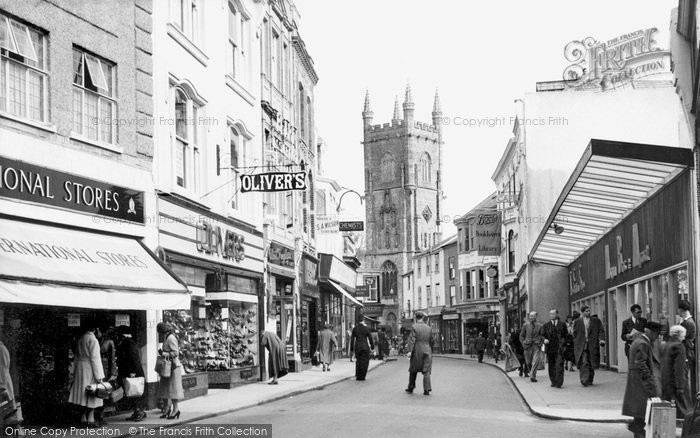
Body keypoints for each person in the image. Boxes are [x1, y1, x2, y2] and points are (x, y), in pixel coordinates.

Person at [622, 321, 662, 438]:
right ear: (650, 332)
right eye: (656, 334)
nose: (656, 337)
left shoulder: (638, 341)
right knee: (641, 413)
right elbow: (641, 365)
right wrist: (650, 383)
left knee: (639, 414)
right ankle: (636, 429)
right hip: (641, 385)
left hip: (636, 384)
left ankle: (635, 428)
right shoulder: (643, 343)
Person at [68, 317, 105, 427]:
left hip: (80, 368)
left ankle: (83, 418)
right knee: (92, 394)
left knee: (82, 395)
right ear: (95, 329)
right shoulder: (93, 339)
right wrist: (99, 376)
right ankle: (91, 419)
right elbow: (95, 358)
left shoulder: (81, 338)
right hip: (90, 369)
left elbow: (76, 356)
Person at [115, 326, 146, 422]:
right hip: (130, 372)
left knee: (134, 392)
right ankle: (137, 412)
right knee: (131, 392)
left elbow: (134, 358)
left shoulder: (128, 343)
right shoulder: (127, 342)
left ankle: (139, 412)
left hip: (133, 373)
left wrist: (133, 372)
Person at [661, 325, 691, 419]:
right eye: (683, 335)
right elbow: (679, 367)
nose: (684, 337)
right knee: (685, 409)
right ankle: (687, 431)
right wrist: (680, 386)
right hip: (676, 383)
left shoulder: (665, 345)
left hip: (666, 381)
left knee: (669, 407)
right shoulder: (679, 346)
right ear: (679, 335)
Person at [573, 305, 605, 386]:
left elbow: (601, 330)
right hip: (582, 345)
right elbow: (575, 334)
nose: (589, 312)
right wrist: (577, 342)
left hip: (592, 344)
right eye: (586, 311)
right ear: (582, 312)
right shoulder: (577, 322)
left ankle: (590, 379)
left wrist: (601, 339)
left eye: (589, 311)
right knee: (584, 362)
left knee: (591, 362)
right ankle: (584, 380)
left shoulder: (596, 321)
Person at [156, 322, 183, 420]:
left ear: (162, 331)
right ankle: (167, 409)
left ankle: (175, 410)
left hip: (173, 368)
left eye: (159, 332)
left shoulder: (171, 338)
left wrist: (163, 353)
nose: (159, 334)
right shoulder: (167, 337)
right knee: (165, 389)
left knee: (173, 389)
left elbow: (176, 353)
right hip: (167, 368)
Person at [405, 311, 434, 395]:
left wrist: (409, 351)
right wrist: (430, 348)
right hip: (427, 349)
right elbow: (432, 340)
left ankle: (411, 387)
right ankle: (427, 389)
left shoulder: (414, 327)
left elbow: (411, 340)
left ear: (415, 318)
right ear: (423, 317)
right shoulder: (429, 328)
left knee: (413, 369)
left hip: (417, 350)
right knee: (426, 370)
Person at [95, 327, 117, 426]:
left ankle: (100, 415)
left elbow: (112, 358)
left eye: (98, 330)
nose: (96, 332)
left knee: (103, 393)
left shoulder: (109, 342)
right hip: (95, 368)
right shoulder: (94, 340)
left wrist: (113, 373)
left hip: (105, 370)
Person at [543, 309, 567, 388]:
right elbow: (542, 335)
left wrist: (564, 345)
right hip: (550, 348)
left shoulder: (562, 324)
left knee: (559, 365)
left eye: (553, 314)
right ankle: (553, 381)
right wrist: (544, 339)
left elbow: (565, 335)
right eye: (550, 314)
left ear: (557, 314)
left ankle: (559, 382)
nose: (551, 316)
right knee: (551, 365)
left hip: (559, 348)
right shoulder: (546, 325)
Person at [520, 311, 544, 382]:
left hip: (536, 345)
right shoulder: (525, 325)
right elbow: (521, 335)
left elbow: (542, 335)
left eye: (533, 316)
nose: (531, 317)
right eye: (530, 316)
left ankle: (533, 376)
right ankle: (531, 373)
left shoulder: (540, 326)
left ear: (536, 316)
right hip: (527, 346)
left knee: (535, 361)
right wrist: (523, 343)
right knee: (528, 362)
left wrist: (541, 342)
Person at [679, 300, 696, 385]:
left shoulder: (687, 323)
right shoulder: (688, 322)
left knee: (684, 377)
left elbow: (681, 338)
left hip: (686, 352)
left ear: (682, 310)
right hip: (687, 352)